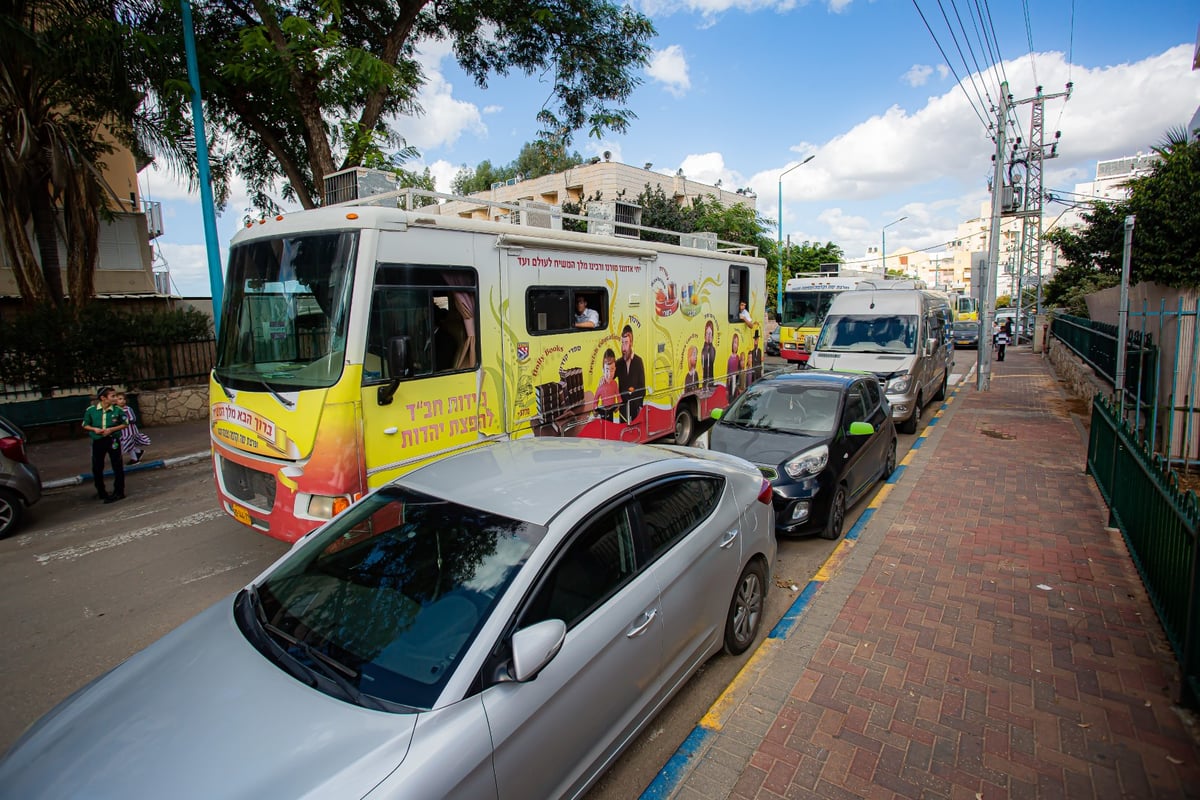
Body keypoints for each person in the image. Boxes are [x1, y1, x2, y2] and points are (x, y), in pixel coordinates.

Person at [82, 387, 127, 503]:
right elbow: (85, 424)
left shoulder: (117, 410)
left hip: (113, 439)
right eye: (112, 396)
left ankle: (119, 491)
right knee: (97, 466)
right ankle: (101, 491)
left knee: (117, 465)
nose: (115, 398)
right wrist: (94, 429)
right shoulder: (91, 410)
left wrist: (112, 429)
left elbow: (125, 424)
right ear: (103, 398)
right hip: (98, 440)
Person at [614, 324, 646, 421]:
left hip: (635, 408)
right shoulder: (619, 363)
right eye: (622, 343)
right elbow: (610, 378)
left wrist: (640, 406)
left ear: (631, 343)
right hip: (623, 409)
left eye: (626, 343)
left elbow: (642, 386)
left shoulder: (638, 361)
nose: (623, 348)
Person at [115, 392, 151, 464]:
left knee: (128, 444)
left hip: (129, 431)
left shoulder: (127, 409)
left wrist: (123, 421)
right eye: (120, 399)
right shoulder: (115, 410)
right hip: (122, 431)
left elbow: (133, 419)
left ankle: (134, 459)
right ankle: (138, 452)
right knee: (128, 444)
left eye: (124, 399)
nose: (122, 401)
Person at [593, 349, 621, 421]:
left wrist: (618, 405)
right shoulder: (601, 385)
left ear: (615, 369)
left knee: (611, 425)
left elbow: (618, 396)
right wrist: (595, 408)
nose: (609, 374)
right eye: (607, 370)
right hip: (603, 411)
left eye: (612, 370)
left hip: (612, 410)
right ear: (603, 370)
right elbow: (595, 399)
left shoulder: (614, 384)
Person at [701, 320, 717, 388]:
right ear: (704, 335)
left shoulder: (712, 349)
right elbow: (703, 361)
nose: (708, 336)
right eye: (707, 333)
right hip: (704, 381)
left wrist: (710, 344)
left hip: (711, 381)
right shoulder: (703, 349)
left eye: (710, 333)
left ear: (713, 336)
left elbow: (711, 359)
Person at [726, 332, 742, 399]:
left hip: (735, 380)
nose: (736, 345)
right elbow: (727, 371)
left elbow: (739, 370)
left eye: (737, 343)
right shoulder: (729, 357)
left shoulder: (738, 357)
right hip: (730, 381)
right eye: (734, 343)